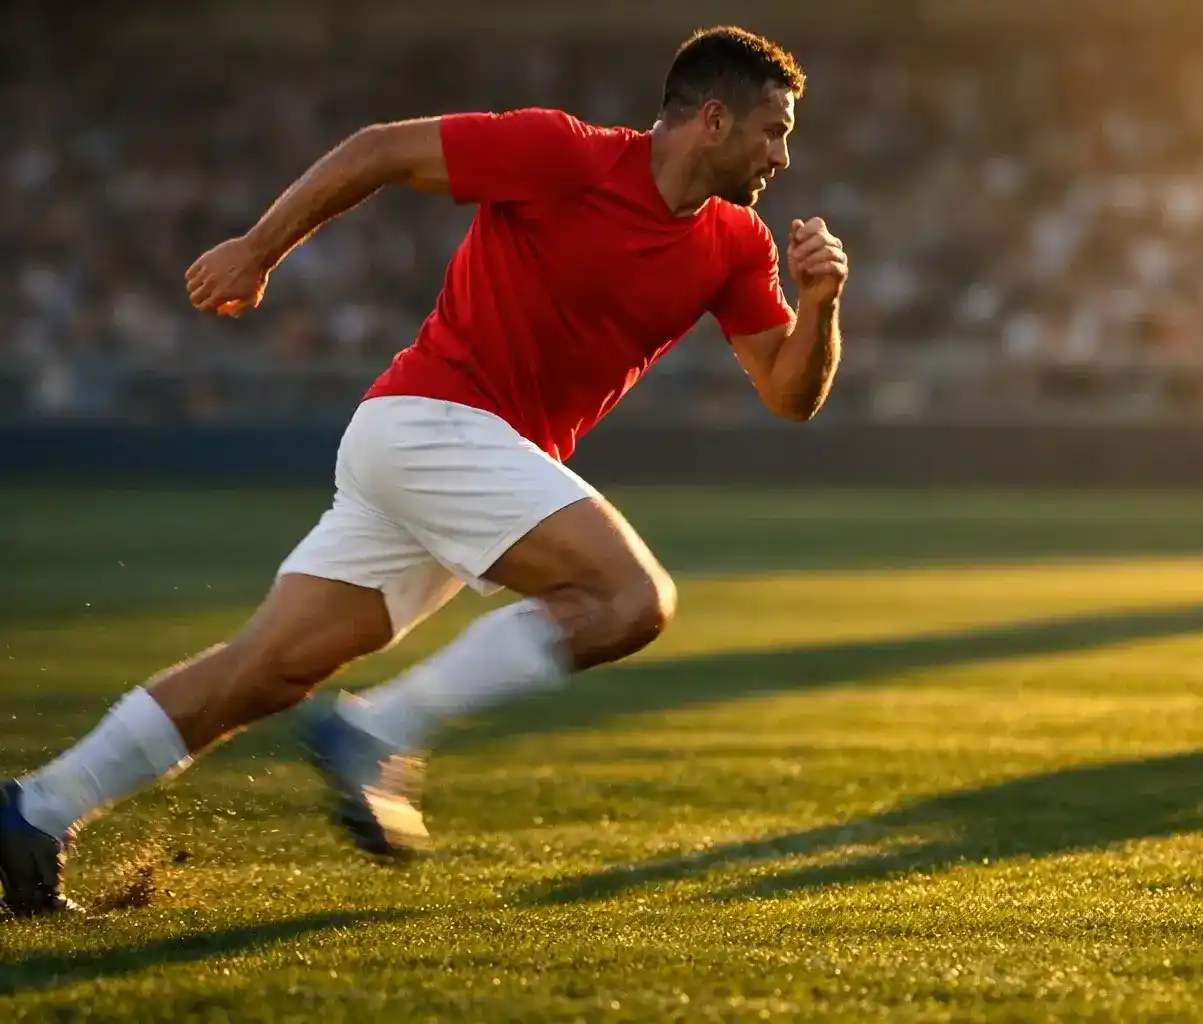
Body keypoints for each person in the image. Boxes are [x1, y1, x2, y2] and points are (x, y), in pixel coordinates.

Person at [0, 25, 847, 916]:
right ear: (712, 120)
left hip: (446, 457)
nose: (782, 156)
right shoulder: (566, 154)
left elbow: (789, 395)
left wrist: (820, 307)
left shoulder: (737, 246)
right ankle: (379, 731)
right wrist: (257, 249)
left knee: (268, 670)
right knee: (630, 600)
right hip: (431, 425)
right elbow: (382, 151)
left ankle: (36, 809)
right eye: (773, 130)